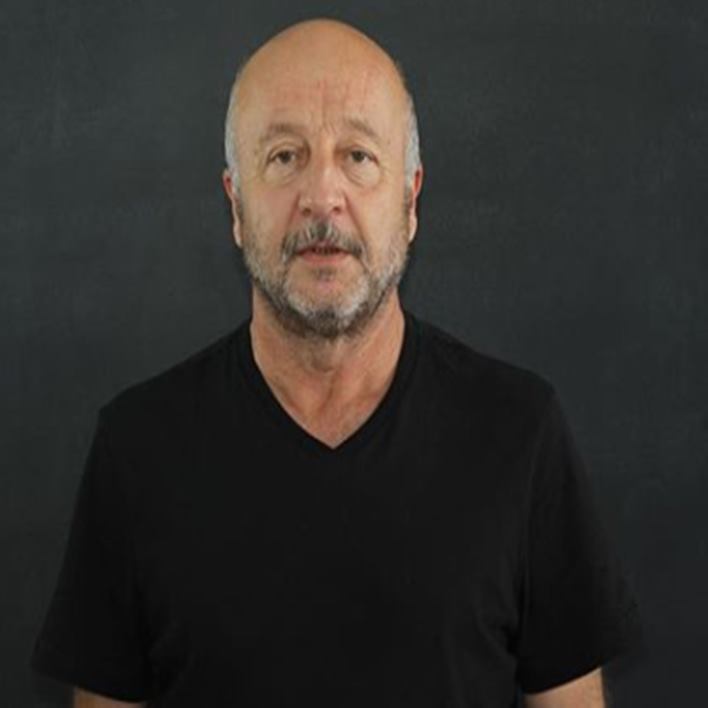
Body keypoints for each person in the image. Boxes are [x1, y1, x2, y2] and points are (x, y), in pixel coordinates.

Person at [30, 17, 643, 708]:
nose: (322, 196)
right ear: (236, 205)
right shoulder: (137, 449)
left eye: (358, 155)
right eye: (284, 157)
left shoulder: (520, 433)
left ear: (409, 201)